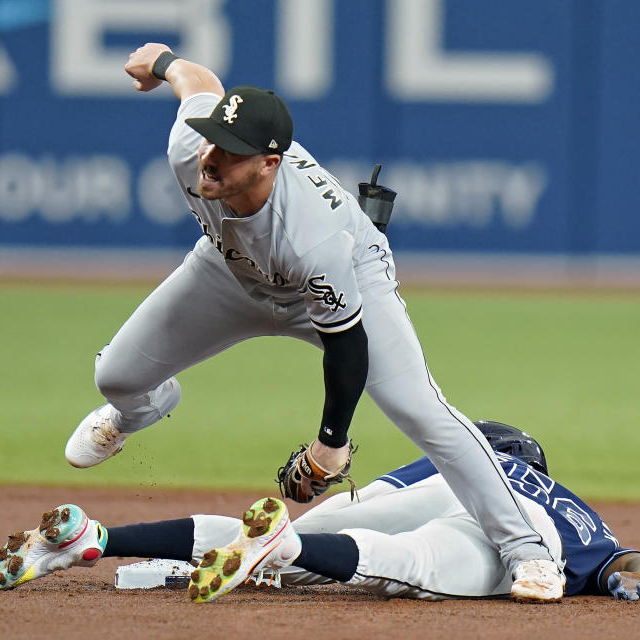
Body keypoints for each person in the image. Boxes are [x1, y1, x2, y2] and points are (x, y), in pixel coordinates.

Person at [61, 42, 563, 599]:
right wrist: (164, 63)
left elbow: (347, 348)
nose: (212, 156)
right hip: (228, 273)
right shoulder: (190, 146)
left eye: (230, 150)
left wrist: (331, 445)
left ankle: (528, 552)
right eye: (213, 139)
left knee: (423, 411)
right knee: (118, 377)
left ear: (269, 164)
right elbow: (196, 80)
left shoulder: (311, 237)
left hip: (350, 277)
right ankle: (142, 411)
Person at [0, 422, 640, 603]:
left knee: (309, 534)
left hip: (430, 490)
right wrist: (636, 580)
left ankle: (100, 537)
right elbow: (632, 564)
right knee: (414, 566)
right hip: (529, 534)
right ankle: (282, 552)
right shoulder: (568, 508)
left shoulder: (459, 457)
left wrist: (315, 520)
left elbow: (364, 501)